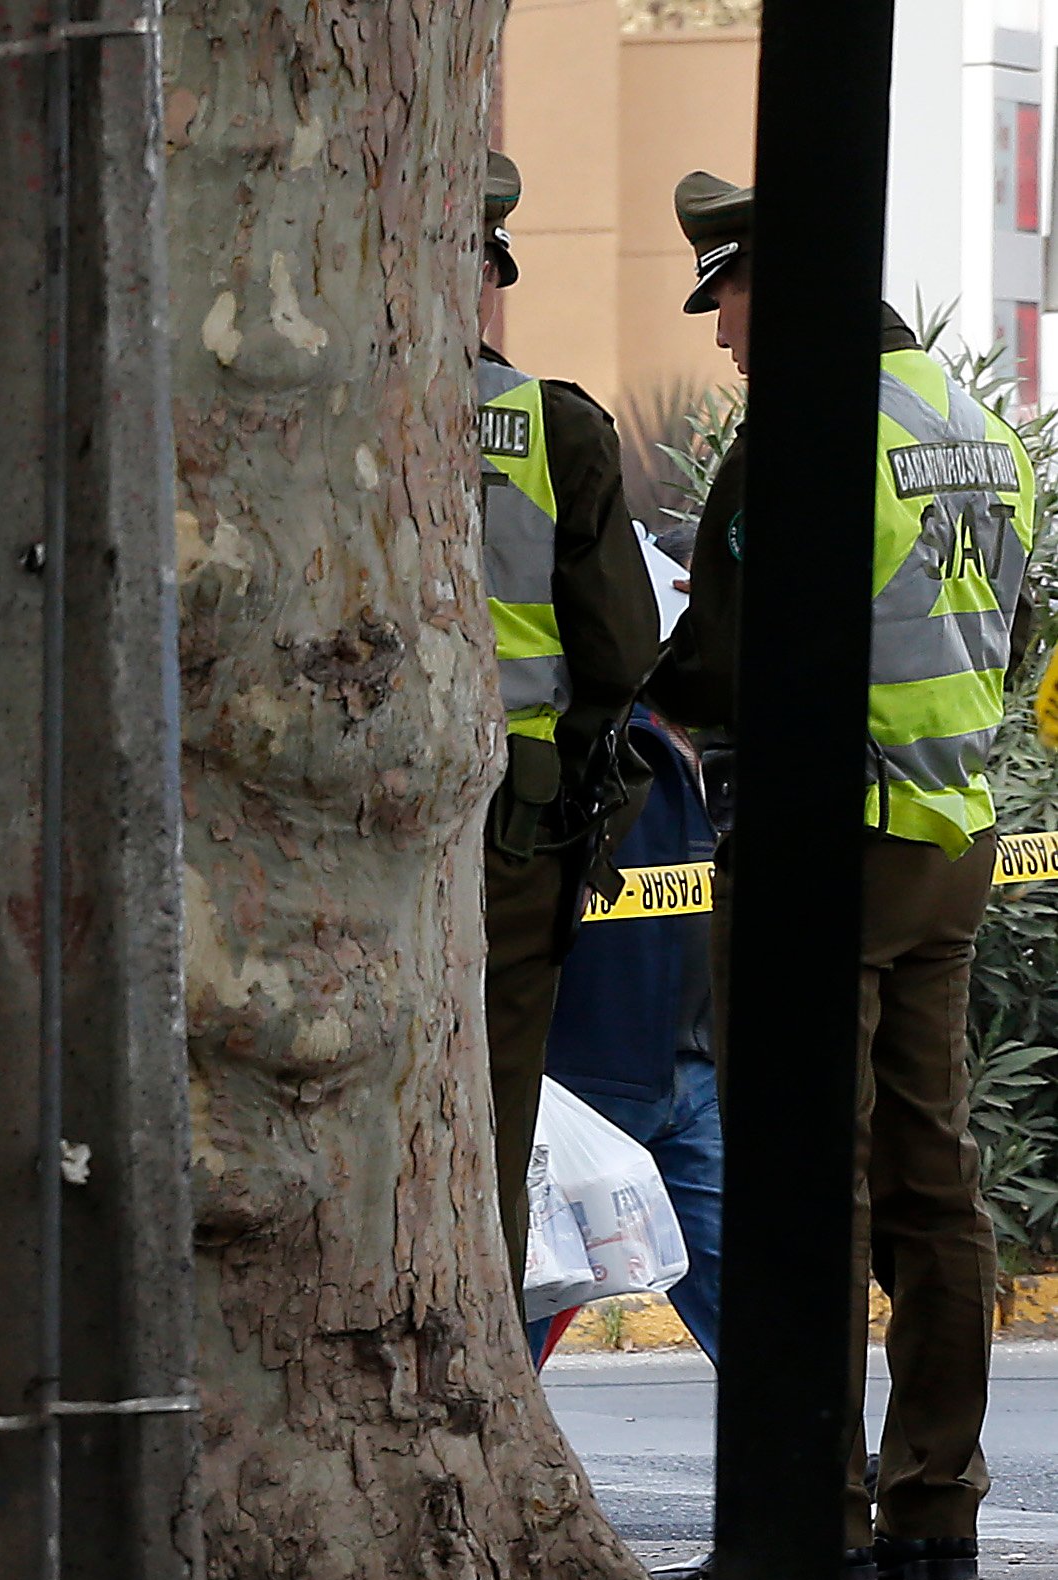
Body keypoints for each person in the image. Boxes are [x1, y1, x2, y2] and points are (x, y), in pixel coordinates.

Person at [650, 167, 1036, 1580]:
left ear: (783, 283)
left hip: (828, 844)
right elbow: (1015, 639)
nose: (723, 334)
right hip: (953, 841)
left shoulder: (809, 432)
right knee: (933, 1169)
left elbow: (730, 659)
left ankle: (808, 1506)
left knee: (808, 1169)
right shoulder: (973, 424)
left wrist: (640, 695)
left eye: (730, 295)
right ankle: (936, 1499)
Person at [474, 155, 663, 1262]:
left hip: (324, 840)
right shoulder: (552, 429)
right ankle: (475, 1338)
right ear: (486, 273)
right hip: (512, 834)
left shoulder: (309, 424)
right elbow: (620, 653)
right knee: (492, 1107)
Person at [541, 708, 721, 1365]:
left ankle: (820, 1462)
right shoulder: (607, 738)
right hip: (593, 1071)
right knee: (538, 1284)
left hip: (693, 1069)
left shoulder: (709, 744)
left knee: (741, 1286)